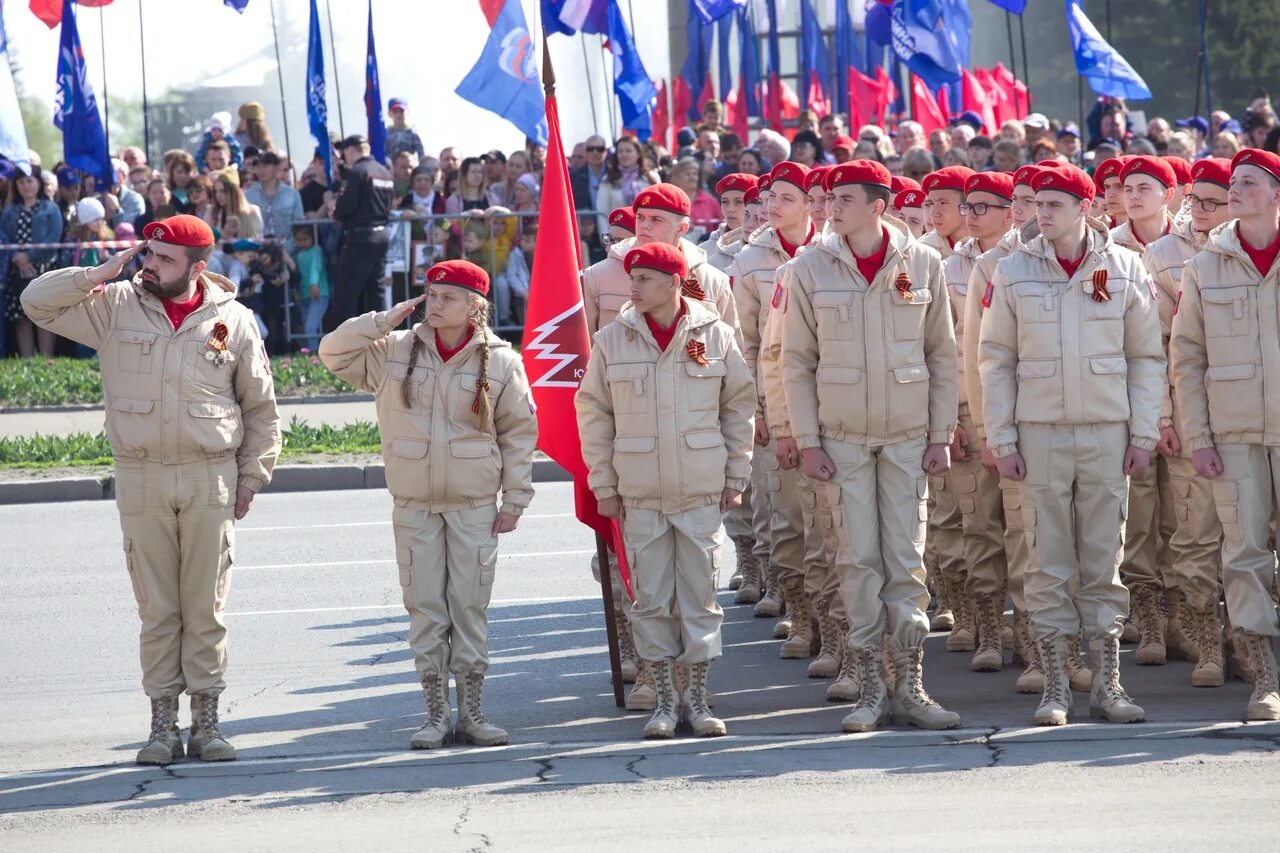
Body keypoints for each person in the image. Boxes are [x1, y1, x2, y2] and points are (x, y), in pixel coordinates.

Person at [21, 215, 280, 763]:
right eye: (149, 254)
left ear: (198, 267)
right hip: (142, 475)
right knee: (157, 606)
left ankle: (206, 722)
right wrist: (97, 271)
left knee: (204, 605)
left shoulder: (232, 320)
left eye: (164, 259)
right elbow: (36, 303)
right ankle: (162, 724)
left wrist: (252, 476)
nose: (150, 265)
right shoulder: (113, 305)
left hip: (210, 474)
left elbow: (260, 407)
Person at [320, 259, 535, 748]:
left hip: (474, 502)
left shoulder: (501, 361)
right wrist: (379, 321)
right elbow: (332, 352)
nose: (436, 305)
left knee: (469, 606)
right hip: (414, 501)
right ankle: (435, 715)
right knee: (424, 608)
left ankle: (473, 715)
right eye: (431, 295)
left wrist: (515, 499)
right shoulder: (393, 350)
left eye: (448, 298)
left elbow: (520, 434)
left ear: (474, 308)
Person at [979, 164, 1164, 726]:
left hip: (1108, 433)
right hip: (1040, 435)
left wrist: (1143, 432)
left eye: (1056, 205)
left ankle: (1107, 685)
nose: (1043, 214)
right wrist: (1003, 437)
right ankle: (1055, 686)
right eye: (1039, 205)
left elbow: (1146, 358)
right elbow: (996, 362)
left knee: (1104, 561)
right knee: (1048, 563)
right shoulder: (1012, 271)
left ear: (1086, 208)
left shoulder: (1126, 267)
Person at [782, 160, 960, 733]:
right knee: (857, 559)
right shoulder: (809, 267)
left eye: (846, 199)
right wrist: (807, 440)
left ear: (879, 206)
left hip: (908, 435)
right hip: (842, 437)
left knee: (906, 559)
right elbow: (796, 363)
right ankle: (868, 685)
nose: (832, 207)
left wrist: (940, 434)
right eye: (830, 198)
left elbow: (941, 355)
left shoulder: (924, 261)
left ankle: (910, 686)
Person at [576, 242, 755, 739]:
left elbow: (738, 408)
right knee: (650, 600)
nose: (632, 286)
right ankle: (661, 699)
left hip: (700, 488)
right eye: (632, 277)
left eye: (645, 278)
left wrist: (736, 476)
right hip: (639, 492)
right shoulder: (613, 340)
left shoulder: (714, 334)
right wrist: (604, 485)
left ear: (674, 283)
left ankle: (696, 699)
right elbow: (593, 415)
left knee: (699, 598)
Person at [1170, 148, 1280, 721]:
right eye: (1231, 182)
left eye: (1248, 182)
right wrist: (1200, 437)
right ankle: (1264, 675)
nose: (1234, 190)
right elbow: (1186, 360)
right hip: (1232, 434)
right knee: (1244, 556)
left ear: (1276, 194)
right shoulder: (1205, 265)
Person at [961, 162, 1056, 696]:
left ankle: (1044, 647)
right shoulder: (992, 268)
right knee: (989, 532)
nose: (1025, 211)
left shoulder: (1104, 262)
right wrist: (983, 428)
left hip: (1059, 420)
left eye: (1028, 200)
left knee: (1041, 541)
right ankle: (993, 631)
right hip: (1002, 423)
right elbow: (979, 356)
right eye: (1018, 200)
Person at [1141, 157, 1233, 687]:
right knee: (1194, 537)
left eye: (1210, 202)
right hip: (1188, 412)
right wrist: (1160, 415)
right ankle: (1205, 643)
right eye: (1193, 199)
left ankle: (1248, 639)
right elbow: (1154, 347)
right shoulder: (1162, 256)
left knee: (1252, 541)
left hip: (1252, 414)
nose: (1196, 210)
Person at [330, 135, 395, 327]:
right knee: (377, 289)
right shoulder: (384, 172)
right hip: (382, 234)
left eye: (345, 153)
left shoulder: (357, 171)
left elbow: (345, 208)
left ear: (351, 150)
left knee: (348, 292)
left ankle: (343, 341)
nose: (344, 158)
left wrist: (336, 211)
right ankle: (383, 335)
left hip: (360, 237)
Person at [2, 166, 62, 357]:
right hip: (17, 269)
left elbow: (53, 239)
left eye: (29, 181)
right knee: (22, 318)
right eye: (21, 182)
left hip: (44, 269)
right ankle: (27, 362)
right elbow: (5, 238)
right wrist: (18, 259)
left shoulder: (50, 208)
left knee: (43, 315)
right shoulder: (10, 210)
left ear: (38, 183)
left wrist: (29, 256)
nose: (26, 186)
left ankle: (46, 361)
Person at [594, 136, 659, 229]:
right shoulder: (608, 179)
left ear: (638, 154)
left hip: (647, 231)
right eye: (620, 151)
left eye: (628, 151)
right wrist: (607, 240)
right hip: (618, 234)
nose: (624, 154)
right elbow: (602, 214)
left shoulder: (651, 177)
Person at [699, 173, 755, 273]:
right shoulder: (703, 251)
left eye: (738, 202)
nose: (730, 209)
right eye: (725, 202)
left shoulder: (771, 247)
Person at [244, 152, 304, 243]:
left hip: (287, 249)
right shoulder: (248, 196)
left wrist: (287, 248)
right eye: (258, 167)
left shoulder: (292, 194)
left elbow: (299, 227)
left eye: (265, 166)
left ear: (277, 168)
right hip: (257, 248)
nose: (261, 170)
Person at [292, 224, 329, 350]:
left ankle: (313, 353)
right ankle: (309, 352)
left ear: (312, 238)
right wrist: (295, 292)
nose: (302, 243)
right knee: (306, 327)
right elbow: (296, 276)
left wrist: (314, 284)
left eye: (305, 239)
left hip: (319, 293)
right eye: (299, 240)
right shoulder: (297, 255)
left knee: (310, 326)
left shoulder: (316, 250)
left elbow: (315, 268)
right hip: (303, 295)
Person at [571, 134, 609, 213]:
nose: (595, 153)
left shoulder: (615, 175)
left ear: (606, 152)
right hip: (585, 224)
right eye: (590, 149)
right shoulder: (574, 178)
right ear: (585, 152)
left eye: (599, 149)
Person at [384, 97, 426, 161]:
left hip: (408, 167)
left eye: (401, 111)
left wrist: (422, 168)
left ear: (407, 112)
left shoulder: (412, 132)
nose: (398, 114)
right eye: (395, 112)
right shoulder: (385, 133)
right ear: (389, 114)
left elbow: (421, 153)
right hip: (390, 168)